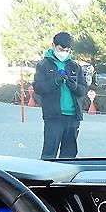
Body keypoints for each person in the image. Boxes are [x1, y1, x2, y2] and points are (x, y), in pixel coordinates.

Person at [34, 32, 88, 160]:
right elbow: (38, 88)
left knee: (69, 154)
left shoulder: (75, 66)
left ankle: (67, 173)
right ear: (53, 45)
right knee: (49, 152)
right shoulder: (43, 65)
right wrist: (55, 81)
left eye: (67, 50)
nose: (63, 52)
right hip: (53, 116)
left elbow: (83, 90)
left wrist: (74, 86)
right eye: (60, 49)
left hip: (73, 117)